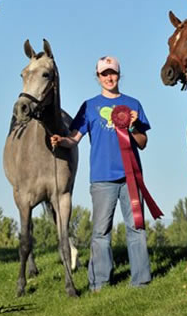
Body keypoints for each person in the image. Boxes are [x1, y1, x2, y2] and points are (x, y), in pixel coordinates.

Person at [51, 56, 153, 292]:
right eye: (104, 74)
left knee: (136, 228)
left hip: (130, 177)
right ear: (97, 77)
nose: (109, 77)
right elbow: (74, 139)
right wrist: (60, 140)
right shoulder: (89, 106)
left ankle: (141, 281)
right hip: (102, 179)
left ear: (119, 75)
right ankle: (99, 283)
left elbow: (143, 142)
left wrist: (134, 126)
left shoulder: (133, 104)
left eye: (113, 73)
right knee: (100, 232)